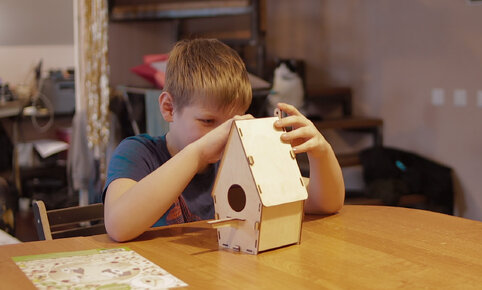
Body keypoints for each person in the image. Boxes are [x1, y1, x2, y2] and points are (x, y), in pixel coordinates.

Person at [103, 39, 345, 242]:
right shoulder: (137, 153)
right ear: (169, 108)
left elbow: (323, 203)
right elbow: (118, 226)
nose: (224, 134)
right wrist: (197, 154)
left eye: (233, 123)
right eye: (208, 121)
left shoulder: (241, 157)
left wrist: (322, 153)